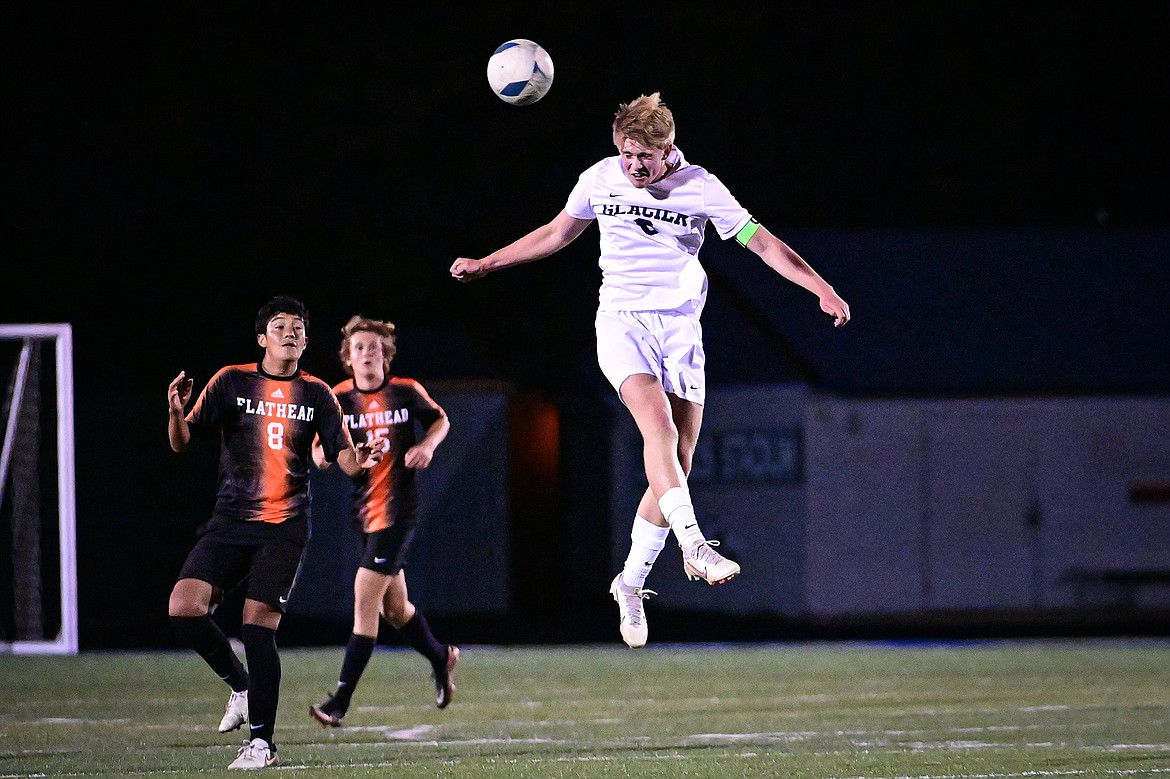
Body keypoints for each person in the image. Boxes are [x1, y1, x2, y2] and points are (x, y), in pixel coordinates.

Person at [450, 92, 850, 649]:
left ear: (669, 150)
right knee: (656, 430)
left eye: (645, 156)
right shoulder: (598, 179)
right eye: (625, 154)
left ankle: (631, 583)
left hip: (681, 330)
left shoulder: (702, 187)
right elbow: (554, 234)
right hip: (622, 323)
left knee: (676, 464)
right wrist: (488, 263)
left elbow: (764, 246)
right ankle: (695, 545)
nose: (633, 166)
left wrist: (821, 289)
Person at [166, 294, 372, 770]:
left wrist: (360, 461)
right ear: (262, 338)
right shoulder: (231, 380)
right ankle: (240, 685)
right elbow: (182, 443)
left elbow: (343, 458)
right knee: (183, 609)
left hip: (284, 526)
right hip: (231, 520)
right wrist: (176, 412)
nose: (291, 333)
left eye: (298, 327)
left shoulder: (317, 393)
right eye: (280, 326)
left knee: (257, 628)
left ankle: (262, 744)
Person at [308, 315, 458, 728]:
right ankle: (440, 656)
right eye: (359, 347)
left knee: (364, 602)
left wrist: (427, 446)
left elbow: (441, 420)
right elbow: (320, 455)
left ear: (385, 354)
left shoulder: (405, 391)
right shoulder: (338, 399)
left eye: (374, 346)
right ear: (348, 358)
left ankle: (339, 702)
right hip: (364, 514)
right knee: (396, 609)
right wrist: (344, 456)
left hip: (399, 512)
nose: (367, 353)